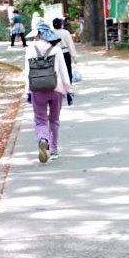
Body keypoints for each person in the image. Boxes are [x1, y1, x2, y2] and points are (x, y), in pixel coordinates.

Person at [24, 21, 73, 162]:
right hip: (56, 88)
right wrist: (68, 90)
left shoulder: (30, 49)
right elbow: (63, 71)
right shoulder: (56, 49)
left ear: (38, 34)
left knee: (40, 119)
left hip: (37, 89)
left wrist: (27, 90)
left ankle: (42, 138)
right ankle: (53, 149)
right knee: (54, 120)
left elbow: (27, 72)